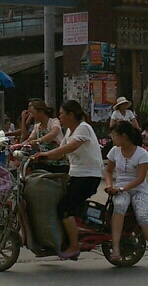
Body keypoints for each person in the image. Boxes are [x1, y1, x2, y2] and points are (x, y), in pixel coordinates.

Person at [35, 100, 104, 260]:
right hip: (77, 175)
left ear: (71, 115)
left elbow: (71, 147)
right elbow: (61, 153)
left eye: (61, 114)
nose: (59, 117)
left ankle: (74, 246)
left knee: (64, 208)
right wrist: (40, 157)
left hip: (88, 177)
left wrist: (48, 154)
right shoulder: (69, 131)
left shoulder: (83, 128)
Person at [105, 121, 148, 270]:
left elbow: (140, 178)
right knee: (119, 207)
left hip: (139, 191)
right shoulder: (114, 151)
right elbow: (108, 171)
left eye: (115, 136)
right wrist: (109, 185)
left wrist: (122, 188)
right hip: (120, 190)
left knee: (142, 216)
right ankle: (116, 248)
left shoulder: (141, 153)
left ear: (124, 136)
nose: (113, 139)